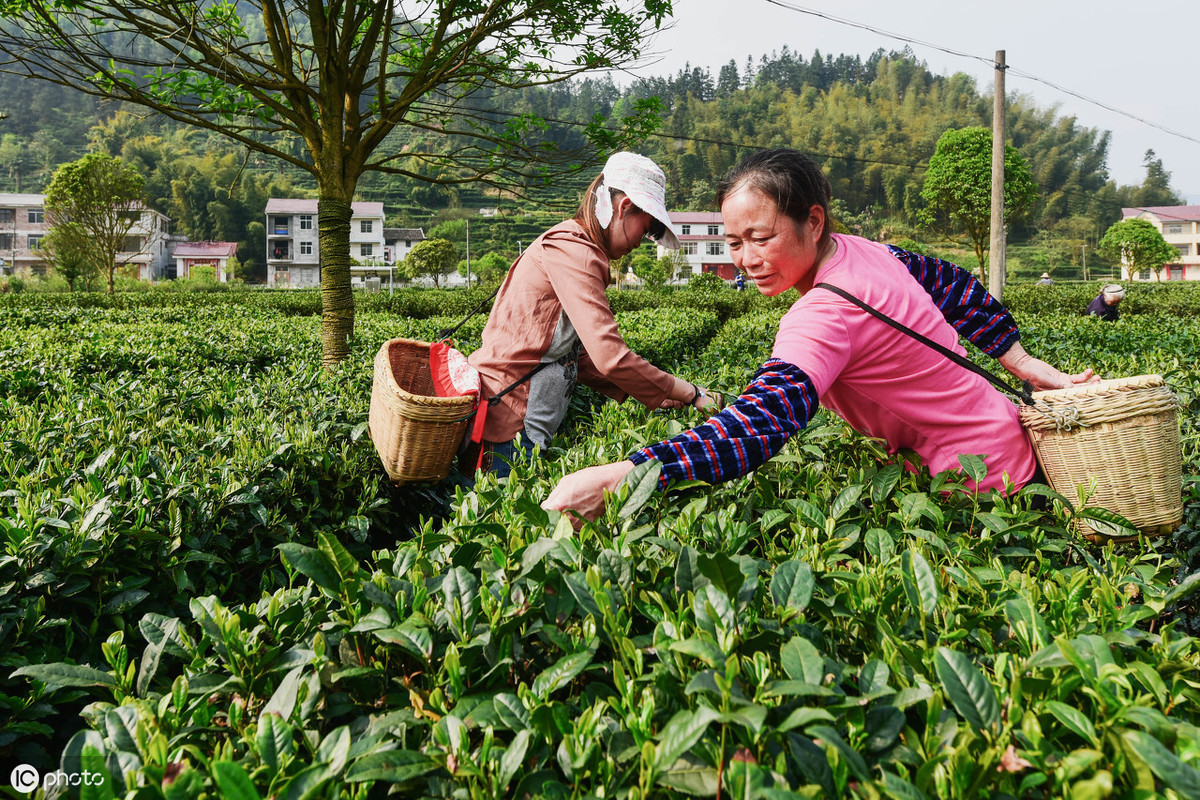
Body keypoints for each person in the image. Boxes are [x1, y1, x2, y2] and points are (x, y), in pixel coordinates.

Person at [543, 148, 1096, 522]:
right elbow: (954, 285)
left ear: (814, 220)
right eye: (734, 242)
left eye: (760, 237)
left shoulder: (822, 316)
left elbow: (761, 424)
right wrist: (1023, 363)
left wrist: (627, 476)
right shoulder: (869, 253)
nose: (747, 260)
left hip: (986, 493)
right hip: (1012, 449)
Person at [464, 151, 721, 477]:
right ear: (624, 207)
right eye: (647, 228)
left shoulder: (573, 247)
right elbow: (609, 356)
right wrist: (691, 392)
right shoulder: (575, 252)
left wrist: (652, 393)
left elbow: (577, 358)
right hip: (508, 426)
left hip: (510, 422)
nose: (643, 241)